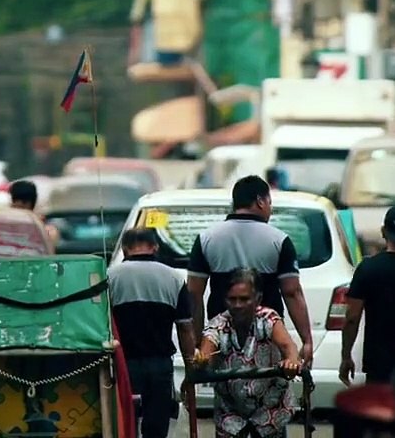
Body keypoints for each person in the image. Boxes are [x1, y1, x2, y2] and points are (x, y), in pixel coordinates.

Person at [187, 176, 316, 370]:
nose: (270, 209)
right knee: (267, 384)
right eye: (270, 203)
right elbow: (292, 292)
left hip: (222, 339)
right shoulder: (278, 240)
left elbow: (194, 296)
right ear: (260, 201)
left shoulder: (206, 239)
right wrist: (306, 340)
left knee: (224, 384)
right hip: (268, 338)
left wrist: (198, 342)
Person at [107, 228, 195, 438]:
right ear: (155, 247)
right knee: (156, 426)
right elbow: (185, 328)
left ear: (125, 249)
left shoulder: (109, 277)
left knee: (124, 424)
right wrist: (191, 370)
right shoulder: (174, 277)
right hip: (160, 365)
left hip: (122, 364)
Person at [195, 268, 301, 438]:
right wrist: (202, 360)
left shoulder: (268, 319)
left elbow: (288, 346)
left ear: (257, 299)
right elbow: (207, 350)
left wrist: (292, 360)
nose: (237, 305)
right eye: (232, 299)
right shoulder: (218, 324)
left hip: (269, 408)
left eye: (244, 299)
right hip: (231, 411)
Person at [339, 206, 395, 386]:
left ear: (384, 231)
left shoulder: (368, 268)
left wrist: (346, 355)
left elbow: (352, 317)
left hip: (378, 362)